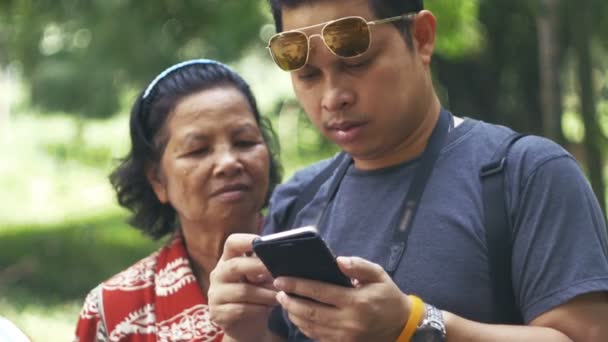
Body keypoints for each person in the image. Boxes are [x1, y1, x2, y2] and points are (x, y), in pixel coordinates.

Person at [208, 0, 608, 341]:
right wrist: (247, 329)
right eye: (308, 75)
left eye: (357, 62)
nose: (333, 97)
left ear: (421, 38)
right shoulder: (299, 199)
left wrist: (416, 325)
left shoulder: (524, 174)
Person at [73, 59, 281, 341]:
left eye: (245, 142)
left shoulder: (318, 270)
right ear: (157, 179)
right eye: (198, 150)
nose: (229, 163)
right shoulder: (113, 311)